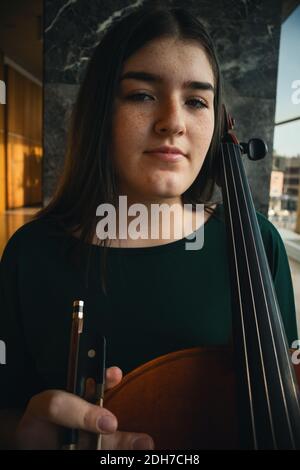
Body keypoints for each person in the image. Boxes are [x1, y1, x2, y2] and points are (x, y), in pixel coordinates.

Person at [0, 4, 297, 450]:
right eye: (142, 94)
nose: (173, 122)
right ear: (102, 111)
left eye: (197, 101)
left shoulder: (258, 241)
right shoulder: (31, 252)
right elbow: (7, 410)